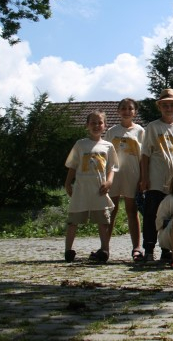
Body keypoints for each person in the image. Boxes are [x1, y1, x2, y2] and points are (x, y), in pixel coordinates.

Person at [140, 89, 173, 262]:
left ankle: (167, 248)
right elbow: (145, 154)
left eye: (171, 104)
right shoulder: (153, 127)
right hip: (156, 179)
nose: (168, 107)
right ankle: (148, 248)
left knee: (171, 215)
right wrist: (144, 177)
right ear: (159, 107)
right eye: (165, 105)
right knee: (152, 214)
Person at [63, 111, 119, 263]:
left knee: (103, 221)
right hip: (81, 189)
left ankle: (105, 249)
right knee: (74, 219)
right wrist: (68, 183)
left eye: (100, 123)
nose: (96, 126)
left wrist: (109, 182)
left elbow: (112, 167)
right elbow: (73, 165)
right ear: (87, 125)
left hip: (99, 189)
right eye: (93, 123)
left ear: (105, 126)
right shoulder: (80, 144)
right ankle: (68, 250)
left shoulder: (108, 146)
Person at [105, 98, 145, 262]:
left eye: (130, 108)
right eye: (123, 108)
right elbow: (105, 155)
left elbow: (144, 157)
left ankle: (136, 247)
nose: (127, 111)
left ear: (135, 112)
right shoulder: (111, 131)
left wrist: (143, 177)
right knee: (110, 211)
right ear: (118, 111)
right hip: (114, 175)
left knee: (132, 211)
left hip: (133, 175)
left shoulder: (141, 131)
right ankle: (104, 247)